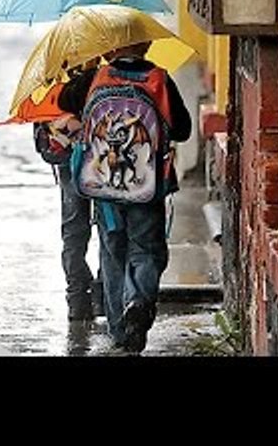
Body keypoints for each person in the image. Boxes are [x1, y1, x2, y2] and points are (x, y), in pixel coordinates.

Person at [58, 42, 191, 353]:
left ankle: (120, 333)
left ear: (111, 49)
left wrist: (88, 73)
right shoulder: (160, 79)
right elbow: (182, 130)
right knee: (147, 251)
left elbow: (64, 99)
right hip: (146, 185)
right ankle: (138, 302)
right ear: (147, 45)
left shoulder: (95, 78)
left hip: (104, 184)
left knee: (113, 251)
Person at [32, 61, 105, 322]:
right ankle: (101, 295)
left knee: (74, 230)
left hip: (68, 162)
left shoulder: (51, 79)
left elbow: (40, 125)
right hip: (102, 163)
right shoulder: (104, 78)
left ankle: (77, 299)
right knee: (108, 229)